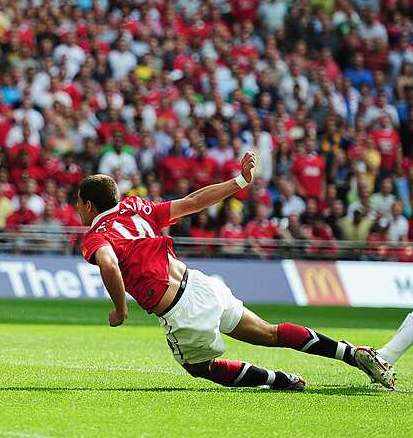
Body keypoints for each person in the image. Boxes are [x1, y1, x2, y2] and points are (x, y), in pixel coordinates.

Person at [76, 151, 396, 390]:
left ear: (89, 205)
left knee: (201, 368)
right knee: (269, 332)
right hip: (201, 285)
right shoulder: (137, 208)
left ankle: (281, 380)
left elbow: (108, 262)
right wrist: (240, 181)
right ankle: (352, 353)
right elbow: (193, 201)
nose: (78, 209)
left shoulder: (96, 235)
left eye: (79, 203)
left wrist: (119, 309)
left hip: (180, 310)